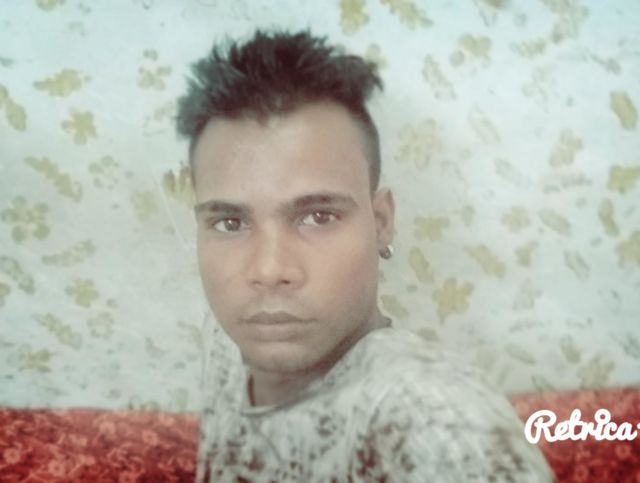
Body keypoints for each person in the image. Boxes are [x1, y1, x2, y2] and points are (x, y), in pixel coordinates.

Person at [176, 29, 554, 482]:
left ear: (380, 222)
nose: (269, 270)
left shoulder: (443, 430)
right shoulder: (232, 337)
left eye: (317, 216)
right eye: (230, 223)